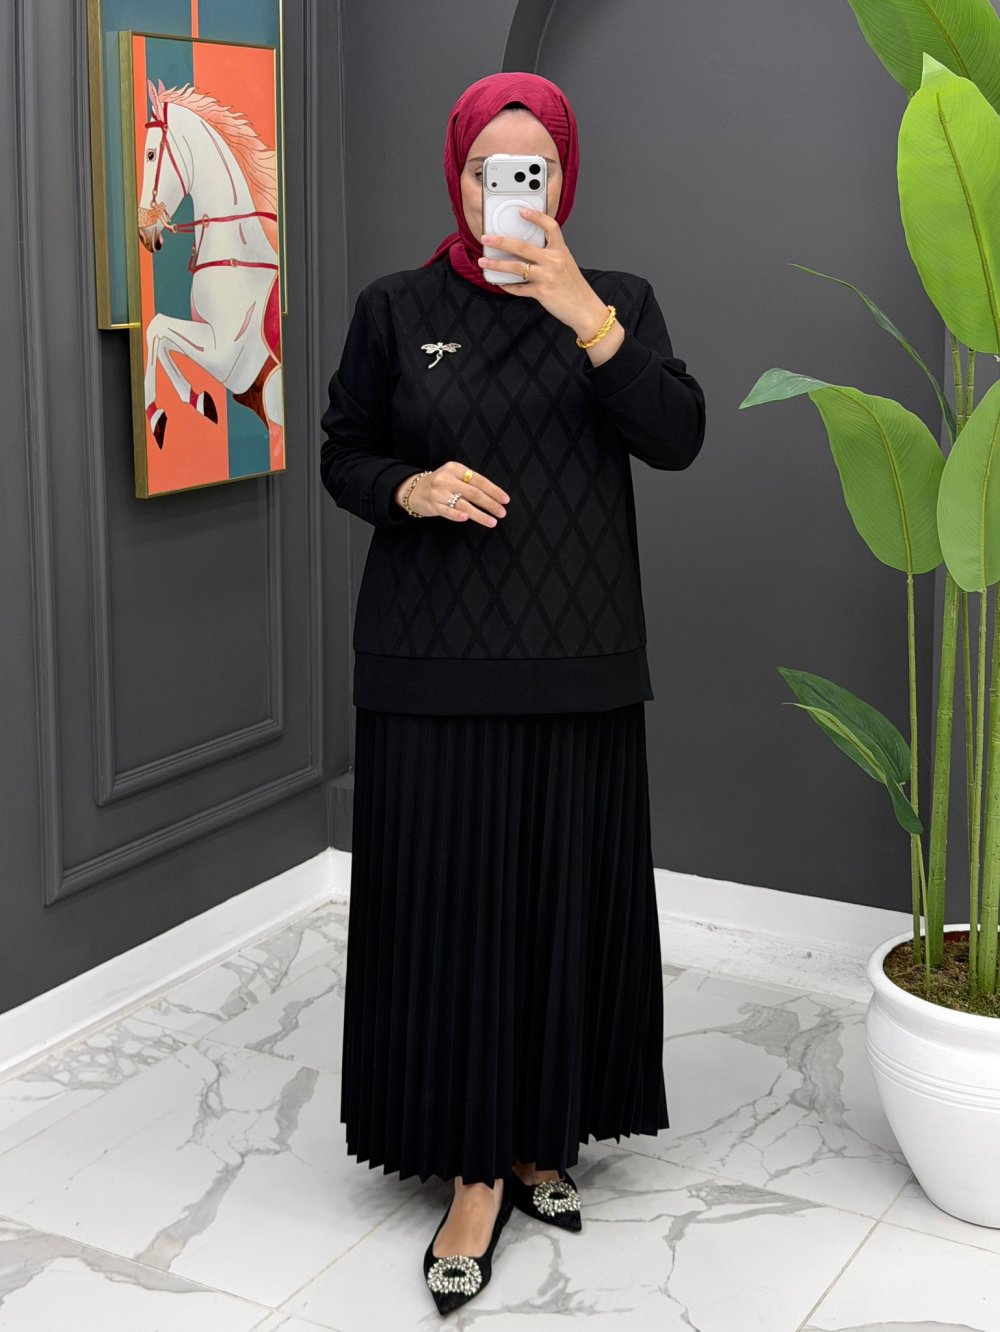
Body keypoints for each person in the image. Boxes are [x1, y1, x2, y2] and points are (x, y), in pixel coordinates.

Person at [320, 70, 706, 1316]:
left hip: (579, 662)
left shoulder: (618, 300)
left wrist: (583, 312)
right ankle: (473, 1177)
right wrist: (410, 487)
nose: (509, 187)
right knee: (453, 916)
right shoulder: (396, 307)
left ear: (564, 177)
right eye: (490, 167)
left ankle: (543, 1139)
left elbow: (675, 436)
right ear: (459, 176)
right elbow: (343, 450)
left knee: (558, 910)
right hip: (428, 664)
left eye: (531, 166)